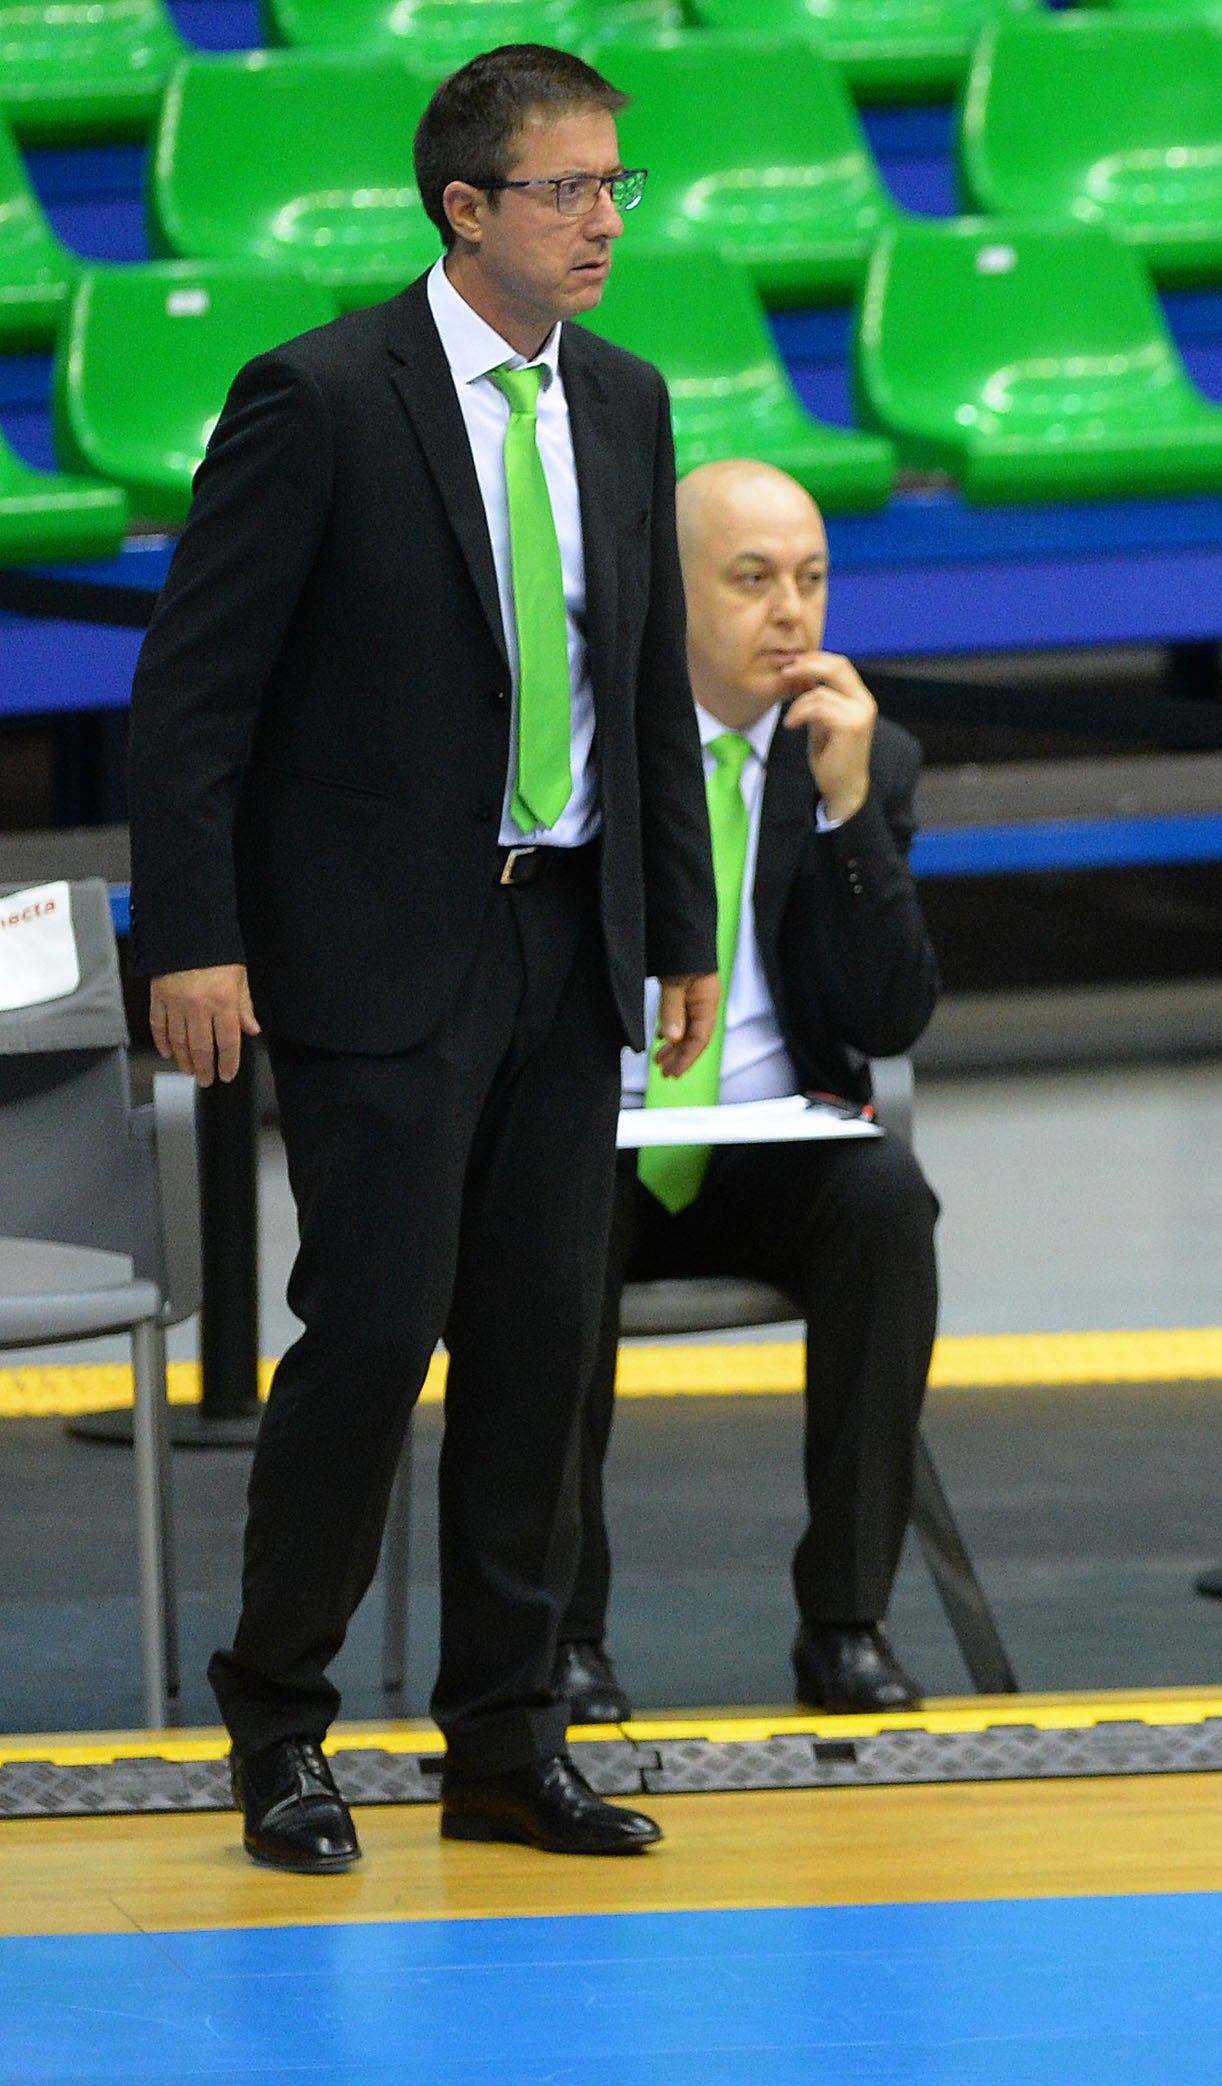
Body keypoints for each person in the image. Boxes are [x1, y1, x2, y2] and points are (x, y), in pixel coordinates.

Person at [125, 45, 718, 1872]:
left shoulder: (624, 400)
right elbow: (193, 695)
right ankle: (281, 1731)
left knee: (545, 1352)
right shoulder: (319, 396)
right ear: (467, 208)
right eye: (570, 189)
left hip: (571, 925)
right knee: (373, 1335)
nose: (607, 218)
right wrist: (199, 935)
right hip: (384, 945)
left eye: (617, 184)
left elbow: (642, 683)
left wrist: (680, 926)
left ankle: (503, 1742)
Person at [559, 458, 942, 1725]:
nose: (792, 611)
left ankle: (845, 1624)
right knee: (547, 1214)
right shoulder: (577, 751)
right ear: (669, 599)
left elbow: (891, 1016)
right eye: (753, 579)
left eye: (813, 579)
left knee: (887, 1195)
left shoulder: (856, 756)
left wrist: (848, 817)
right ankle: (560, 1639)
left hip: (771, 1147)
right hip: (595, 1141)